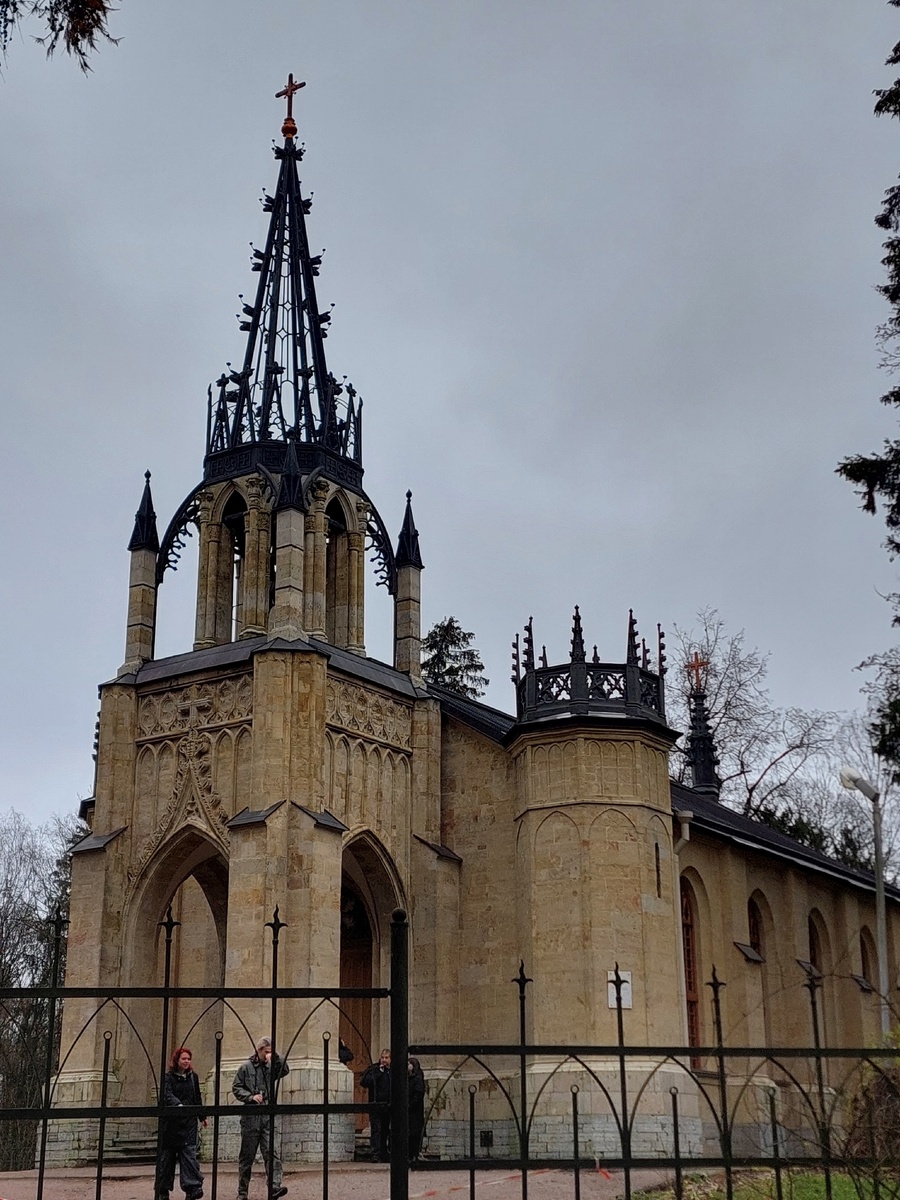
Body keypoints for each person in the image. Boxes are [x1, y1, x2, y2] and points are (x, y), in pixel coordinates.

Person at [232, 1036, 290, 1200]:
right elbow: (236, 1087)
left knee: (271, 1153)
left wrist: (276, 1057)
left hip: (267, 1115)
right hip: (251, 1116)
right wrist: (250, 1097)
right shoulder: (246, 1067)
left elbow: (285, 1070)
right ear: (259, 1050)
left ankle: (274, 1187)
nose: (268, 1055)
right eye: (267, 1052)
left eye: (271, 1052)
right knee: (247, 1157)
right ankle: (242, 1192)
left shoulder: (271, 1067)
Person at [156, 1046, 206, 1200]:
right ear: (177, 1060)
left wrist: (202, 1116)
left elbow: (196, 1097)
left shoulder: (193, 1077)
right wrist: (178, 1105)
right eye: (184, 1059)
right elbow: (166, 1095)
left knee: (189, 1156)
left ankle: (192, 1189)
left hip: (188, 1124)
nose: (186, 1061)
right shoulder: (168, 1078)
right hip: (171, 1124)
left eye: (188, 1059)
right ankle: (162, 1193)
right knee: (166, 1161)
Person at [360, 1048, 391, 1161]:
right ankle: (375, 1153)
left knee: (386, 1130)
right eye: (382, 1058)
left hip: (388, 1106)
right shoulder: (374, 1069)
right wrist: (378, 1073)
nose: (384, 1060)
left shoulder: (392, 1071)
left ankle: (384, 1152)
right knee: (376, 1130)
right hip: (376, 1105)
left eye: (386, 1058)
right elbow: (364, 1082)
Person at [407, 1057, 426, 1164]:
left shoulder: (418, 1077)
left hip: (415, 1112)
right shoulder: (407, 1077)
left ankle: (414, 1155)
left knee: (414, 1135)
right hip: (408, 1111)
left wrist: (410, 1105)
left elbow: (418, 1093)